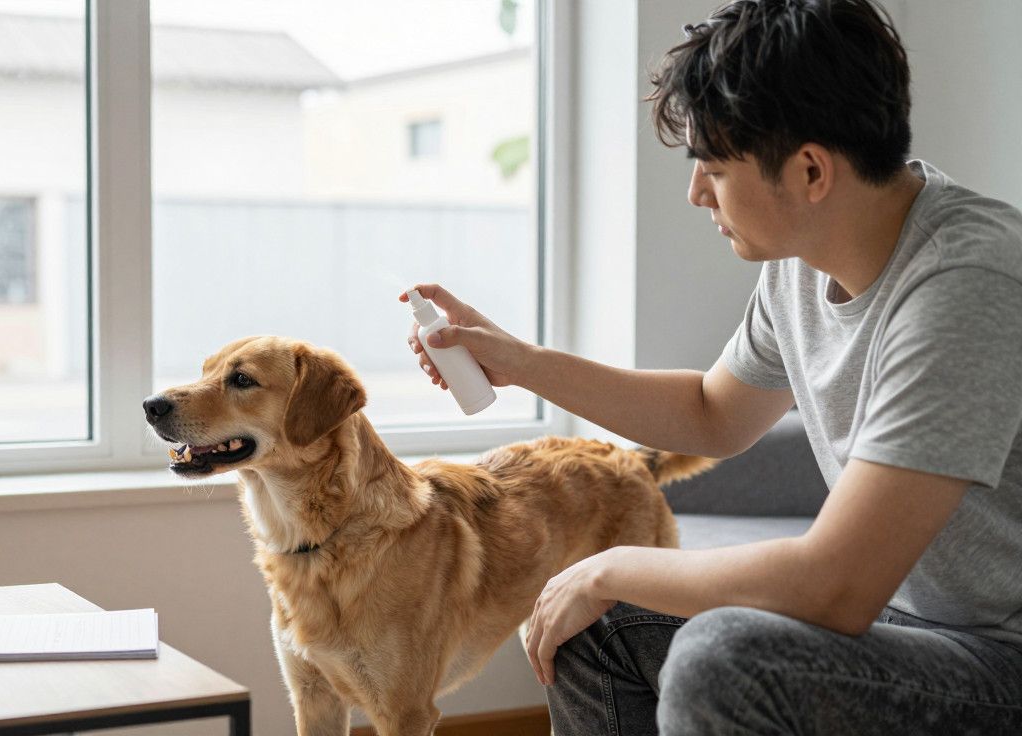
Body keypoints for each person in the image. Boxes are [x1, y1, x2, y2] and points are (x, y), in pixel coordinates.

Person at [401, 0, 1022, 733]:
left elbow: (837, 587)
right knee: (598, 628)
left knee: (721, 657)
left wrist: (609, 566)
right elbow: (711, 412)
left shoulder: (967, 283)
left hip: (997, 655)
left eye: (714, 168)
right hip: (907, 624)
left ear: (812, 169)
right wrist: (522, 363)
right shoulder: (802, 266)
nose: (697, 193)